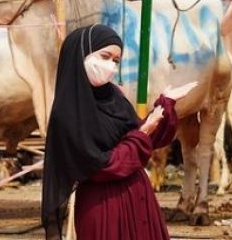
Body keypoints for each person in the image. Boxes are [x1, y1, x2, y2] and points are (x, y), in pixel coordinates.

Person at [41, 24, 197, 240]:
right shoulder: (67, 113)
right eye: (105, 57)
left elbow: (143, 138)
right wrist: (144, 131)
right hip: (104, 207)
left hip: (139, 199)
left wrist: (165, 105)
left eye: (116, 61)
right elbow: (103, 167)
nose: (111, 67)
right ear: (81, 56)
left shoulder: (114, 97)